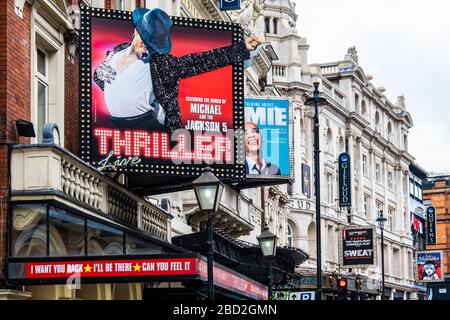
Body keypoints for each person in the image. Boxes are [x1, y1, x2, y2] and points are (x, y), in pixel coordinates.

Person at [94, 7, 262, 133]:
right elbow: (101, 78)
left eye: (152, 46)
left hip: (144, 127)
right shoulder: (116, 52)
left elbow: (201, 61)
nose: (147, 48)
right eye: (145, 42)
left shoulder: (161, 64)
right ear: (136, 31)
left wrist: (242, 49)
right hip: (113, 126)